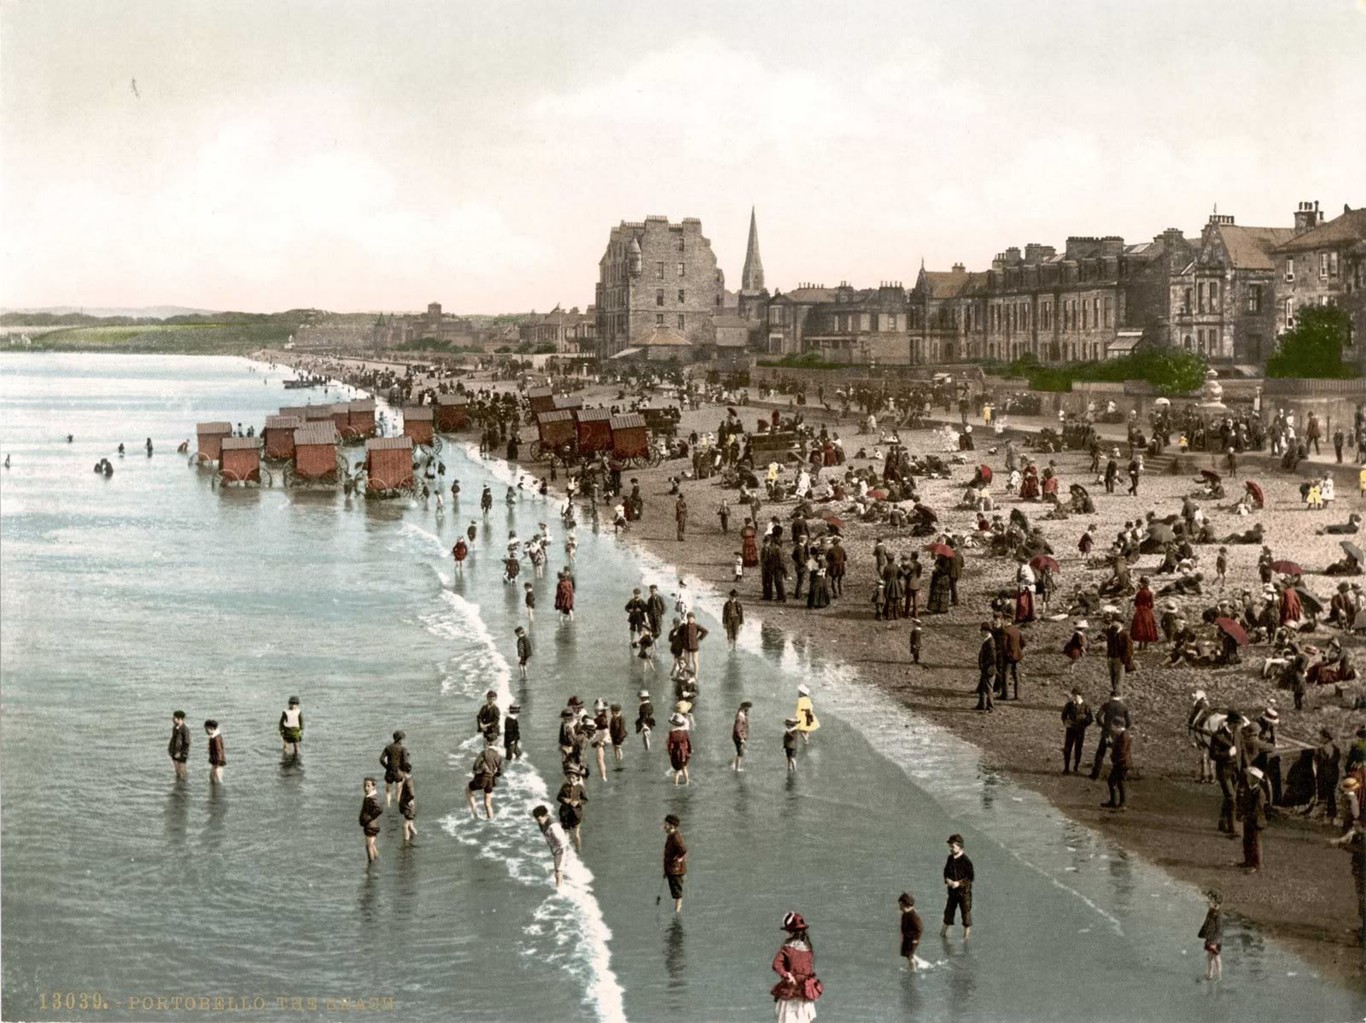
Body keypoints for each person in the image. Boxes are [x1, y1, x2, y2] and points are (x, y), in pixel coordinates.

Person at [771, 912, 822, 1022]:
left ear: (790, 932)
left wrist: (786, 974)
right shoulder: (808, 950)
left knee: (788, 1018)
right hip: (804, 991)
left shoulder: (787, 949)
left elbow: (776, 964)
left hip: (791, 989)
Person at [941, 834, 974, 938]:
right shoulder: (950, 858)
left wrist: (958, 883)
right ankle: (942, 934)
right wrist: (947, 880)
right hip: (952, 892)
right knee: (948, 913)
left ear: (960, 847)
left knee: (966, 915)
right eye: (950, 846)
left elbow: (970, 878)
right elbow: (945, 872)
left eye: (953, 846)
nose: (950, 848)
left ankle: (966, 937)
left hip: (964, 893)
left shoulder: (966, 861)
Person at [466, 731, 504, 820]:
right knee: (487, 803)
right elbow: (501, 772)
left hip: (482, 779)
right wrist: (494, 773)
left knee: (468, 789)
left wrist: (478, 772)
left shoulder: (484, 753)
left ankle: (474, 812)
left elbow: (475, 767)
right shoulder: (498, 756)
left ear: (487, 742)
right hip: (491, 780)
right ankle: (490, 818)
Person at [1238, 766, 1268, 872]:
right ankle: (1248, 861)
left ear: (1255, 779)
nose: (1247, 778)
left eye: (1250, 776)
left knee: (1256, 843)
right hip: (1249, 820)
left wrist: (1246, 816)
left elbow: (1257, 810)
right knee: (1247, 841)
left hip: (1257, 822)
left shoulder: (1260, 793)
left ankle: (1257, 865)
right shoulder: (1250, 789)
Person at [533, 804, 569, 889]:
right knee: (558, 870)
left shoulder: (553, 827)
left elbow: (562, 841)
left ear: (545, 816)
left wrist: (559, 850)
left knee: (558, 871)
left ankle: (559, 889)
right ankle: (561, 884)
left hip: (561, 849)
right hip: (556, 849)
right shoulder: (543, 823)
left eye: (539, 819)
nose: (538, 821)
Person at [557, 766, 589, 850]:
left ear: (577, 777)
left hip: (576, 814)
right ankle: (566, 850)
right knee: (565, 834)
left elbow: (585, 800)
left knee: (576, 834)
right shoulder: (564, 787)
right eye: (569, 777)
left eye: (573, 777)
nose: (571, 779)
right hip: (565, 814)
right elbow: (558, 797)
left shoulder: (580, 787)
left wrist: (578, 802)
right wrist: (564, 799)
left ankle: (578, 850)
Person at [1061, 688, 1092, 774]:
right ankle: (1066, 768)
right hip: (1070, 730)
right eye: (1073, 695)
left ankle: (1076, 767)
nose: (1073, 697)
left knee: (1078, 749)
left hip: (1080, 731)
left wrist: (1084, 724)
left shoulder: (1085, 706)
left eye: (1075, 696)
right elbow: (1063, 716)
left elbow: (1090, 718)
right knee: (1067, 749)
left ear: (1079, 696)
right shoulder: (1069, 705)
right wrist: (1066, 723)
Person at [1102, 723, 1131, 810]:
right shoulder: (1122, 735)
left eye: (1114, 728)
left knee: (1119, 782)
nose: (1113, 730)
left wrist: (1115, 759)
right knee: (1114, 781)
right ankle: (1115, 802)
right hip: (1121, 762)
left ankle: (1121, 803)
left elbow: (1122, 750)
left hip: (1121, 763)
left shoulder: (1123, 736)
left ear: (1118, 726)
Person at [662, 814, 688, 913]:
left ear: (672, 826)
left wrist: (679, 858)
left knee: (677, 893)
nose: (664, 826)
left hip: (676, 871)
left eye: (666, 824)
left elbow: (683, 849)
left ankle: (677, 912)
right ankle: (677, 910)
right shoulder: (671, 836)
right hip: (671, 869)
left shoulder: (675, 837)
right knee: (675, 891)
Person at [1198, 890, 1223, 981]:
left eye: (1210, 901)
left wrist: (1215, 942)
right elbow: (1206, 923)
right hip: (1210, 939)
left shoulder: (1218, 915)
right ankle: (1210, 974)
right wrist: (1203, 933)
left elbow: (1219, 930)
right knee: (1209, 957)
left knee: (1216, 957)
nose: (1208, 902)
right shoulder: (1210, 912)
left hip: (1215, 940)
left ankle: (1219, 975)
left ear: (1216, 903)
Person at [380, 730, 410, 807]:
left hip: (389, 772)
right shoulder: (403, 749)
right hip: (398, 772)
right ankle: (398, 806)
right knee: (399, 791)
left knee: (388, 791)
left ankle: (388, 806)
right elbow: (405, 763)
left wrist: (387, 767)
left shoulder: (388, 747)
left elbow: (381, 759)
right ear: (400, 739)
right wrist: (406, 771)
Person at [898, 892, 924, 971]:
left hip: (912, 939)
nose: (899, 906)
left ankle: (913, 969)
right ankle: (915, 962)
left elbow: (920, 928)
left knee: (909, 955)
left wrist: (916, 939)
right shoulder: (905, 914)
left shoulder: (913, 916)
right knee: (906, 953)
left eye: (901, 904)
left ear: (906, 905)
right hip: (907, 937)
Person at [359, 777, 383, 863]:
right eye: (364, 786)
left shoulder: (372, 798)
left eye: (368, 786)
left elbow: (379, 809)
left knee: (368, 846)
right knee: (372, 845)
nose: (366, 788)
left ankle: (371, 864)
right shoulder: (369, 797)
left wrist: (368, 818)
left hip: (371, 825)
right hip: (371, 825)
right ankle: (377, 861)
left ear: (373, 787)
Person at [975, 622, 996, 712]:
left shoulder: (990, 642)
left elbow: (993, 658)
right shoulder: (988, 640)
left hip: (988, 669)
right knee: (983, 687)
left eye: (982, 631)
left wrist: (984, 665)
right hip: (986, 669)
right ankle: (982, 704)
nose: (981, 633)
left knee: (988, 688)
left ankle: (990, 706)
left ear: (986, 631)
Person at [667, 713, 692, 785]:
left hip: (676, 754)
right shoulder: (685, 732)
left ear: (674, 724)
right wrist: (689, 751)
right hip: (684, 753)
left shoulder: (672, 733)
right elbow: (688, 743)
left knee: (677, 770)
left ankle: (676, 783)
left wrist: (670, 752)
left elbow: (670, 744)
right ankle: (687, 782)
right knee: (684, 768)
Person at [168, 710, 190, 780]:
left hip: (182, 753)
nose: (173, 719)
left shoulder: (185, 729)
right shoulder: (175, 728)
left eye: (174, 718)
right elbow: (173, 739)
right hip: (174, 751)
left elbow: (187, 742)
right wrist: (170, 749)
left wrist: (181, 753)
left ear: (180, 719)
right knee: (177, 770)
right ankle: (178, 785)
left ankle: (184, 785)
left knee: (182, 770)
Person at [397, 770, 417, 841]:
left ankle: (406, 842)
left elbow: (412, 794)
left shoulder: (408, 782)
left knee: (405, 826)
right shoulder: (408, 780)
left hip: (409, 808)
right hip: (409, 808)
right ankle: (415, 838)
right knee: (410, 826)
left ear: (404, 772)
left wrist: (407, 800)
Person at [732, 701, 751, 772]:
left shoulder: (742, 714)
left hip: (739, 736)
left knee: (739, 750)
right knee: (740, 752)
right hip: (739, 737)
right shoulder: (741, 717)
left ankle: (734, 764)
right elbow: (737, 729)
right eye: (748, 708)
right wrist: (741, 739)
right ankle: (737, 768)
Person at [204, 719, 225, 785]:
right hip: (216, 761)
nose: (206, 731)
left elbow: (219, 750)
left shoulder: (216, 738)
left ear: (211, 728)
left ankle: (219, 793)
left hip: (218, 762)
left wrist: (217, 763)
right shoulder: (214, 736)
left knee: (218, 780)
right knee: (212, 778)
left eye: (206, 729)